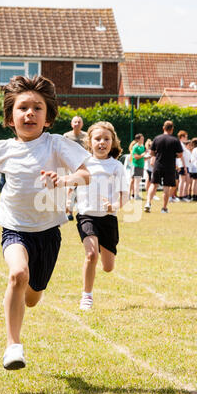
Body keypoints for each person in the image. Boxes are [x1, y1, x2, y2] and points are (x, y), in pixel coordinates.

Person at [0, 75, 90, 371]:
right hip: (14, 229)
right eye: (23, 107)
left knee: (33, 297)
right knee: (17, 274)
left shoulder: (57, 145)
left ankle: (24, 294)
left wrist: (64, 179)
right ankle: (13, 346)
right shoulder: (4, 148)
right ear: (11, 118)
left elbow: (85, 174)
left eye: (38, 108)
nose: (30, 113)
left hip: (48, 233)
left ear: (48, 117)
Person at [75, 121, 129, 310]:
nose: (102, 142)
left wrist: (114, 205)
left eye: (106, 139)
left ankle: (104, 249)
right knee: (91, 255)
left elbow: (125, 195)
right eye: (98, 139)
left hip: (108, 219)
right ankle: (86, 296)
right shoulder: (83, 164)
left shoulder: (116, 166)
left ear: (112, 142)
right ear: (90, 141)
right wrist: (66, 201)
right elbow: (72, 183)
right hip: (86, 215)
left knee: (108, 267)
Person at [144, 120, 183, 213]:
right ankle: (164, 208)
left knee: (153, 184)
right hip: (169, 166)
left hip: (158, 165)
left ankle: (148, 203)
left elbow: (151, 152)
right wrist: (174, 155)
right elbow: (180, 154)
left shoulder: (157, 139)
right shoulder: (175, 140)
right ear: (172, 129)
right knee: (166, 187)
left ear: (163, 128)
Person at [63, 116, 87, 220]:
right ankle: (69, 212)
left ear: (82, 124)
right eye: (75, 122)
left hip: (83, 167)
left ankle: (82, 211)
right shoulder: (66, 136)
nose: (77, 123)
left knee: (83, 189)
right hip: (71, 167)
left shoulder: (86, 136)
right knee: (70, 189)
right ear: (71, 124)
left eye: (79, 122)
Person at [131, 133, 145, 200]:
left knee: (138, 181)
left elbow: (143, 157)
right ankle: (136, 195)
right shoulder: (135, 147)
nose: (143, 140)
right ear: (138, 139)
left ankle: (135, 195)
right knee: (136, 181)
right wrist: (142, 155)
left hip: (141, 166)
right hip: (136, 166)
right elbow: (136, 157)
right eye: (142, 139)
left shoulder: (142, 146)